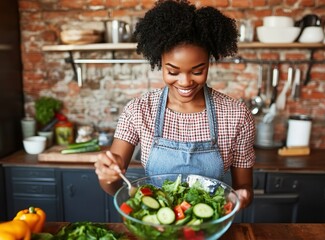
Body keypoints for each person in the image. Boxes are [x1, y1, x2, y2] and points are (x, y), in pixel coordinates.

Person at [94, 0, 256, 209]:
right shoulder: (139, 110)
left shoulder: (236, 114)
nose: (185, 82)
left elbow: (244, 187)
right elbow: (115, 186)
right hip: (156, 226)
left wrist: (241, 197)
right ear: (160, 62)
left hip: (208, 226)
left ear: (209, 62)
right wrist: (107, 175)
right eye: (173, 72)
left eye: (198, 71)